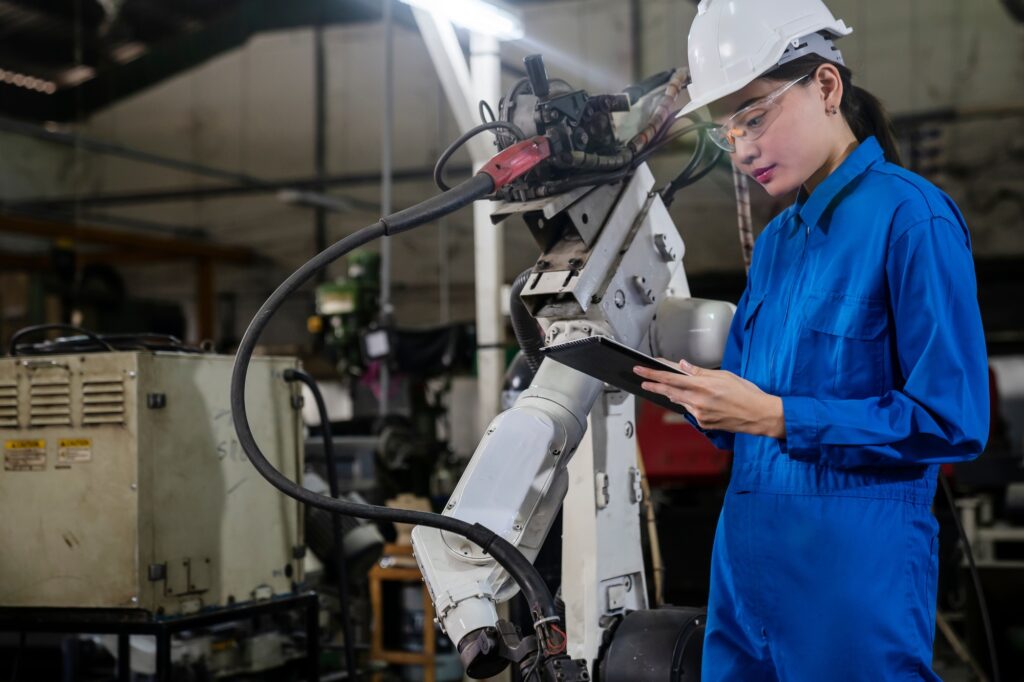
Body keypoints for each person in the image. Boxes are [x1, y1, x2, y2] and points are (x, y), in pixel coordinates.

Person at [633, 1, 989, 679]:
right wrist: (691, 392)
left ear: (826, 86)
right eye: (726, 132)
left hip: (851, 583)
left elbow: (952, 419)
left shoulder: (912, 219)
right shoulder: (776, 244)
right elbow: (745, 418)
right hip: (745, 573)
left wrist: (776, 416)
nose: (742, 150)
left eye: (753, 117)